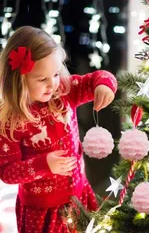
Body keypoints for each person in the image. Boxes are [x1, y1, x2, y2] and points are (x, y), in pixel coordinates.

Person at [0, 26, 117, 233]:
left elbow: (95, 79)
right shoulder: (10, 120)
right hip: (42, 211)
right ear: (19, 80)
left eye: (55, 74)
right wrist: (44, 164)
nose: (52, 84)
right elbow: (7, 172)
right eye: (42, 79)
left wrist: (104, 85)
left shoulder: (63, 92)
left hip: (79, 196)